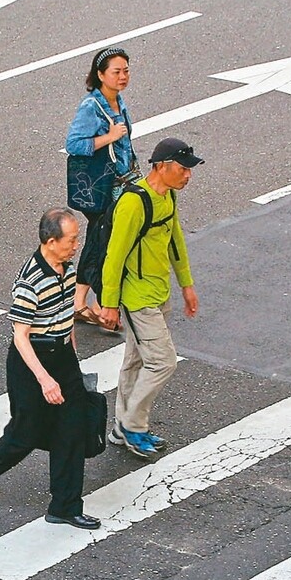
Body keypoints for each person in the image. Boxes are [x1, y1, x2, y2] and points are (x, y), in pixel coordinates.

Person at [0, 208, 100, 530]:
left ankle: (65, 506)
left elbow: (66, 316)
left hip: (62, 358)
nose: (76, 245)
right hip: (32, 363)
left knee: (72, 430)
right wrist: (45, 380)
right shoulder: (30, 282)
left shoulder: (66, 268)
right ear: (51, 242)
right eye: (71, 240)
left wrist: (72, 361)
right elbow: (20, 336)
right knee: (25, 435)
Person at [95, 137, 203, 461]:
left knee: (136, 360)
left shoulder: (167, 196)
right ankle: (133, 425)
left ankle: (120, 426)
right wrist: (110, 304)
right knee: (163, 361)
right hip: (136, 297)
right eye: (183, 169)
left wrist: (186, 284)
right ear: (161, 166)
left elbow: (175, 238)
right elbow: (113, 257)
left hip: (159, 292)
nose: (188, 176)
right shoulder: (133, 203)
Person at [64, 46, 136, 330]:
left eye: (126, 70)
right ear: (100, 74)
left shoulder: (117, 101)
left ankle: (82, 301)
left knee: (101, 240)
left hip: (121, 182)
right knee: (102, 242)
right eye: (116, 72)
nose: (123, 76)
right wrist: (108, 137)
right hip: (101, 187)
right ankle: (96, 302)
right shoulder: (91, 106)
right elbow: (74, 144)